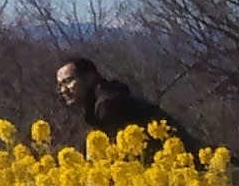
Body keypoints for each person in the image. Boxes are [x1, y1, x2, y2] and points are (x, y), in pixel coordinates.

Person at [55, 56, 204, 161]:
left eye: (68, 81)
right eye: (60, 85)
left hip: (181, 162)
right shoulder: (105, 100)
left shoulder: (108, 105)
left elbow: (123, 157)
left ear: (89, 77)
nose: (63, 90)